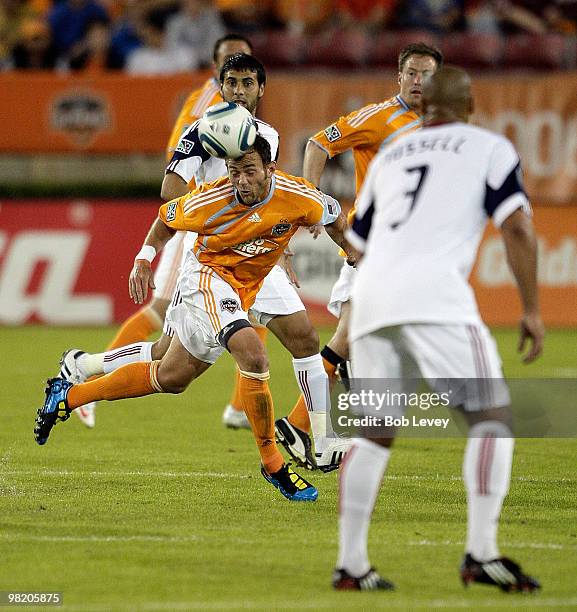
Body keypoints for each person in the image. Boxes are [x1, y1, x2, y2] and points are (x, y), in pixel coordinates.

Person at [34, 136, 354, 503]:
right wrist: (143, 258)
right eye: (235, 172)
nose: (242, 181)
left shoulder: (298, 195)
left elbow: (333, 217)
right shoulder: (212, 199)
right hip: (208, 276)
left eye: (250, 172)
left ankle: (68, 395)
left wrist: (350, 252)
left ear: (270, 169)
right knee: (253, 354)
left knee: (172, 375)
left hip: (251, 280)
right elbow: (165, 220)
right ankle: (274, 462)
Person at [333, 66, 544, 591]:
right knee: (491, 416)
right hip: (434, 296)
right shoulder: (489, 147)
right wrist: (532, 308)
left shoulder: (391, 154)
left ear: (423, 106)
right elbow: (516, 225)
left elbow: (356, 242)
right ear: (470, 103)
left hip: (373, 294)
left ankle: (352, 564)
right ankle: (482, 552)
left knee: (375, 431)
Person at [275, 42, 443, 471]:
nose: (420, 81)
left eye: (428, 74)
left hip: (406, 248)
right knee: (361, 340)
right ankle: (315, 422)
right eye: (413, 73)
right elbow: (317, 144)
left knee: (356, 337)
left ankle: (309, 424)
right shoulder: (378, 117)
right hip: (376, 243)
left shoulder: (440, 127)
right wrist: (311, 197)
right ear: (399, 77)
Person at [72, 34, 252, 428]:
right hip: (198, 231)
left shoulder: (242, 112)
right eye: (229, 69)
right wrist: (194, 216)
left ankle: (240, 408)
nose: (238, 81)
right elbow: (179, 160)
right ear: (215, 70)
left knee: (255, 318)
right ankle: (90, 376)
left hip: (233, 233)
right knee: (161, 319)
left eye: (246, 70)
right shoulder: (208, 105)